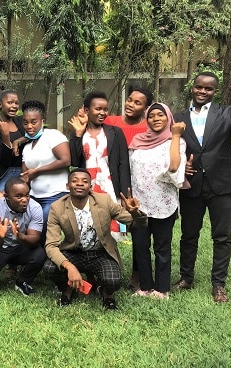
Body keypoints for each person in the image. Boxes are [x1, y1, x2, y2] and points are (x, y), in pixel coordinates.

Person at [172, 72, 231, 303]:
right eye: (199, 87)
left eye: (208, 89)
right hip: (192, 184)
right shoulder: (178, 117)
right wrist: (182, 167)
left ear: (215, 91)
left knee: (222, 236)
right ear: (192, 88)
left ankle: (218, 284)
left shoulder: (228, 112)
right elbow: (171, 147)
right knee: (188, 234)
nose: (203, 92)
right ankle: (186, 278)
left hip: (222, 183)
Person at [44, 169, 147, 310]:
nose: (80, 184)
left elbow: (138, 224)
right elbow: (51, 245)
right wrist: (69, 267)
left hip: (100, 252)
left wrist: (135, 213)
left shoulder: (103, 201)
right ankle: (69, 289)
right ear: (68, 186)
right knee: (50, 268)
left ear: (91, 187)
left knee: (113, 281)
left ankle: (106, 292)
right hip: (73, 252)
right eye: (75, 181)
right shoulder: (57, 207)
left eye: (85, 181)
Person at [128, 103, 186, 299]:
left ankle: (162, 289)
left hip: (164, 204)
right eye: (151, 115)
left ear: (169, 117)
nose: (156, 118)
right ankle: (145, 286)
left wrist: (176, 135)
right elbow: (129, 170)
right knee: (141, 246)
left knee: (162, 247)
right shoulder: (137, 141)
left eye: (160, 115)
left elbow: (174, 167)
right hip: (139, 204)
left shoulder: (175, 141)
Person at [104, 87, 153, 291]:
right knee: (105, 228)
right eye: (129, 100)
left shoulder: (149, 128)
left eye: (137, 103)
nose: (130, 105)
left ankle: (136, 274)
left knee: (138, 232)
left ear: (146, 108)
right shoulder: (110, 122)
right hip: (112, 185)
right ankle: (106, 269)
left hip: (141, 186)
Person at [69, 91, 130, 237]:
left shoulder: (115, 132)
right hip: (87, 186)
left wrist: (125, 195)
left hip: (109, 186)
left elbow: (123, 164)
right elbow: (75, 161)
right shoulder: (79, 133)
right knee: (88, 227)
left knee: (110, 230)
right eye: (98, 109)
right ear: (86, 110)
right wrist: (78, 135)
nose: (102, 113)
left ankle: (110, 259)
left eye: (105, 109)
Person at [0, 178, 46, 295]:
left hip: (21, 247)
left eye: (27, 195)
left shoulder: (35, 207)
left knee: (40, 254)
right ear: (6, 196)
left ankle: (22, 281)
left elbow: (34, 239)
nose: (25, 200)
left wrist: (20, 237)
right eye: (19, 196)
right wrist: (0, 236)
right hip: (1, 247)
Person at [20, 100, 71, 243]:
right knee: (28, 224)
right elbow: (25, 176)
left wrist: (37, 171)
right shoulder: (27, 146)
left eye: (33, 122)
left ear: (42, 121)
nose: (29, 126)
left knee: (44, 222)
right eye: (25, 122)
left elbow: (66, 160)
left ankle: (48, 256)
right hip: (34, 196)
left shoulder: (53, 136)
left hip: (56, 194)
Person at [0, 90, 26, 191]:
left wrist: (18, 141)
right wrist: (5, 135)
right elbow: (5, 159)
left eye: (16, 103)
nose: (14, 106)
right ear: (0, 104)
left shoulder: (21, 121)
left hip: (25, 170)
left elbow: (35, 134)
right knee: (1, 200)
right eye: (10, 102)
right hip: (6, 172)